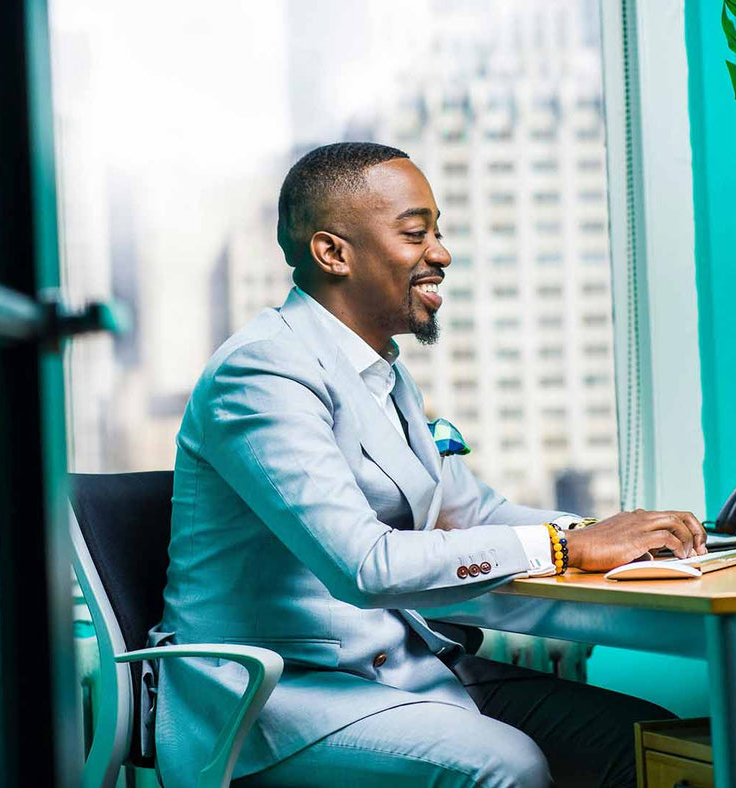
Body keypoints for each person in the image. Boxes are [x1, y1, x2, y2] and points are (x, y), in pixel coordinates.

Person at [148, 142, 707, 788]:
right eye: (416, 233)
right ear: (334, 253)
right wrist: (563, 546)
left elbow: (474, 512)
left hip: (401, 677)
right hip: (277, 705)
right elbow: (366, 565)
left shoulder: (381, 372)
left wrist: (619, 539)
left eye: (438, 233)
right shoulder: (262, 372)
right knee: (507, 766)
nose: (441, 253)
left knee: (643, 743)